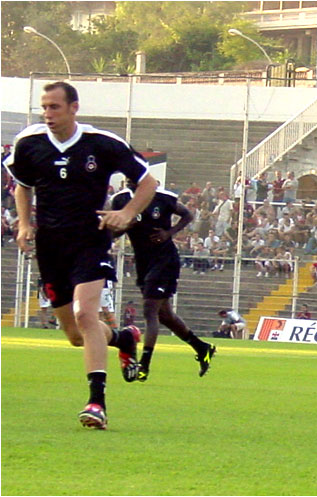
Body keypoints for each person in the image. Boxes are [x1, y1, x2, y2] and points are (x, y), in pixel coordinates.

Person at [3, 81, 158, 429]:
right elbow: (22, 185)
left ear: (74, 108)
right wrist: (25, 224)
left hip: (90, 240)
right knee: (74, 334)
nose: (48, 114)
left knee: (86, 314)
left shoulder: (101, 143)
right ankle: (122, 337)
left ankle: (96, 403)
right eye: (44, 107)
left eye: (54, 107)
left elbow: (148, 182)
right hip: (50, 246)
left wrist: (128, 212)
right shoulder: (30, 143)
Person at [111, 181, 216, 382]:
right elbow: (112, 232)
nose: (132, 182)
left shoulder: (162, 197)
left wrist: (170, 232)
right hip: (143, 262)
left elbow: (187, 214)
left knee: (150, 310)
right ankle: (202, 348)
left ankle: (144, 364)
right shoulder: (121, 200)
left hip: (165, 260)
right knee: (165, 315)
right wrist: (124, 226)